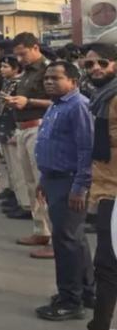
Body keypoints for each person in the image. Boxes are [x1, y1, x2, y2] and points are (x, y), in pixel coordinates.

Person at [34, 61, 95, 321]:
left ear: (73, 81)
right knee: (74, 238)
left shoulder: (78, 106)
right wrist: (43, 178)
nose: (49, 82)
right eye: (47, 78)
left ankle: (71, 301)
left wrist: (80, 187)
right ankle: (86, 290)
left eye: (56, 78)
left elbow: (86, 149)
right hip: (53, 179)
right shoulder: (58, 105)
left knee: (66, 241)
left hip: (69, 181)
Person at [5, 32, 53, 257]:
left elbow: (59, 100)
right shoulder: (26, 73)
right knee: (31, 183)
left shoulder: (49, 70)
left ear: (35, 48)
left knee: (44, 184)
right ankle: (40, 229)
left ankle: (55, 237)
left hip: (40, 128)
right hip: (24, 129)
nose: (20, 59)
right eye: (17, 55)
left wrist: (29, 101)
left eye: (23, 54)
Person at [84, 44, 117, 330]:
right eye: (89, 65)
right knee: (106, 263)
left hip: (114, 192)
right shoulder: (101, 99)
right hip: (106, 188)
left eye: (102, 63)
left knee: (106, 264)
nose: (95, 68)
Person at [0, 56, 30, 217]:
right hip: (4, 127)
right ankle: (18, 199)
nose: (2, 69)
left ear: (16, 69)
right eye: (1, 66)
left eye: (6, 66)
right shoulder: (6, 83)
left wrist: (15, 129)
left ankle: (26, 205)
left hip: (13, 129)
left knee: (19, 169)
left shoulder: (19, 84)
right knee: (12, 169)